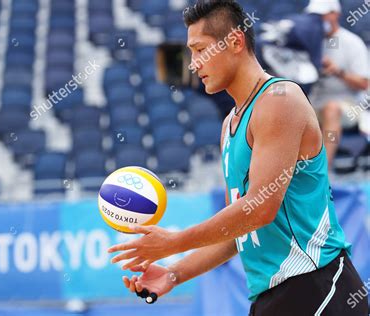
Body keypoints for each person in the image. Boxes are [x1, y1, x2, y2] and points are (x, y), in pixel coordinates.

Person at [107, 1, 368, 315]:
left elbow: (259, 210)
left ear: (235, 41)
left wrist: (174, 242)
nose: (192, 64)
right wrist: (175, 273)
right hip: (273, 296)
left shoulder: (279, 100)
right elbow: (242, 228)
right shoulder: (230, 123)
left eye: (200, 49)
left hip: (318, 284)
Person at [306, 0, 369, 168]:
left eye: (322, 15)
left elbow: (364, 84)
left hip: (349, 105)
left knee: (331, 108)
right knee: (288, 108)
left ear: (335, 14)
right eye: (315, 16)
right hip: (315, 102)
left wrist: (338, 72)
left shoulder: (352, 42)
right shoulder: (309, 41)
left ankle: (322, 172)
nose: (318, 19)